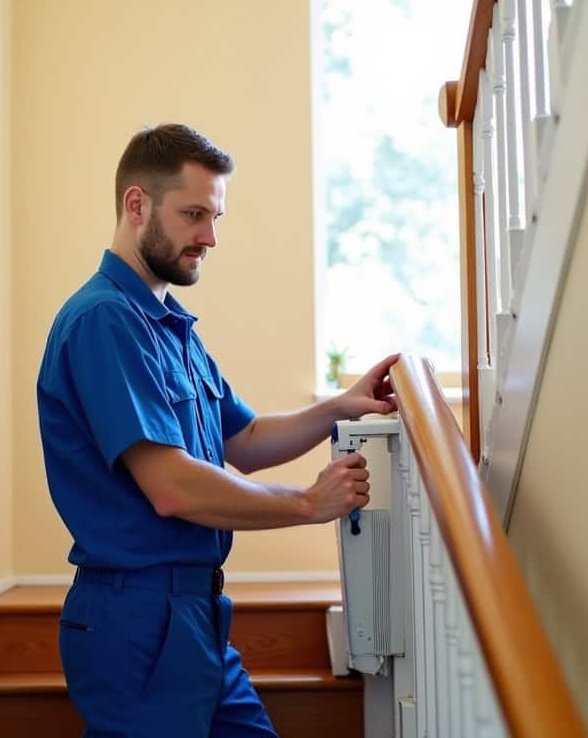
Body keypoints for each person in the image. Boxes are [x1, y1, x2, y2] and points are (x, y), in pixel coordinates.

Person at [37, 123, 399, 737]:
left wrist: (340, 407)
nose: (210, 237)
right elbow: (172, 487)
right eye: (194, 215)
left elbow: (246, 441)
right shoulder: (104, 321)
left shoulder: (170, 328)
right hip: (136, 620)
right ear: (136, 205)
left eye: (215, 217)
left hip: (194, 616)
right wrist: (308, 503)